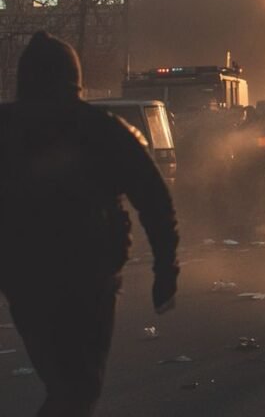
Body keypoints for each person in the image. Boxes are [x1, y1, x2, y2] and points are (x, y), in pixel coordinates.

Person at [0, 32, 179, 416]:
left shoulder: (7, 127)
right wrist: (165, 267)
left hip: (25, 277)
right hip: (89, 277)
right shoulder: (102, 128)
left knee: (64, 383)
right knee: (79, 387)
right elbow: (154, 200)